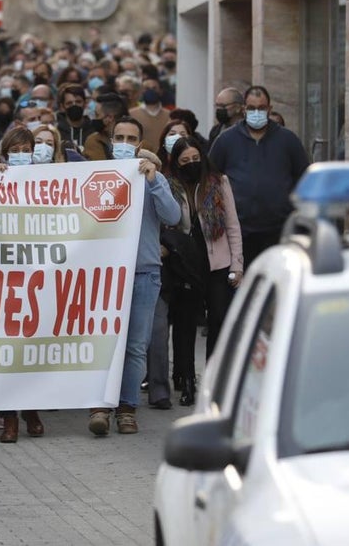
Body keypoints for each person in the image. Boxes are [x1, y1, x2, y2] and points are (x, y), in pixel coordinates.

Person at [88, 117, 181, 436]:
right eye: (119, 137)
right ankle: (100, 405)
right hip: (104, 274)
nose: (124, 142)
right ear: (111, 141)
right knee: (102, 341)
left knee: (136, 345)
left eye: (131, 138)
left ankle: (126, 407)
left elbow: (173, 217)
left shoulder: (151, 177)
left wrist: (155, 181)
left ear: (139, 145)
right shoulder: (94, 175)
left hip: (143, 272)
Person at [0, 127, 46, 443]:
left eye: (27, 147)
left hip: (37, 276)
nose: (21, 153)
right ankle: (10, 418)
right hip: (2, 276)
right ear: (5, 152)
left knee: (32, 345)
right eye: (15, 148)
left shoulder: (49, 180)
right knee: (6, 348)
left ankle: (31, 409)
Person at [208, 86, 309, 269]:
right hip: (240, 232)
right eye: (252, 108)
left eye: (261, 108)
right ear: (244, 109)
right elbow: (210, 178)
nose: (256, 112)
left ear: (269, 109)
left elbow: (304, 177)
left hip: (278, 230)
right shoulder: (226, 140)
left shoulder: (287, 140)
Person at [168, 138, 242, 383]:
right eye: (185, 161)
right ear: (177, 163)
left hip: (217, 263)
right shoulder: (171, 186)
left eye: (195, 159)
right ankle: (186, 378)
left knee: (218, 318)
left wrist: (237, 265)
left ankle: (214, 376)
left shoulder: (218, 183)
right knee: (185, 323)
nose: (191, 164)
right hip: (186, 265)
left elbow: (232, 226)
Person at [129, 77, 171, 154]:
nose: (151, 91)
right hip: (140, 159)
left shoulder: (169, 115)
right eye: (147, 88)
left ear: (160, 91)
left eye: (154, 88)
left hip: (164, 159)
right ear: (141, 91)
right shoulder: (131, 114)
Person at [83, 93, 126, 162]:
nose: (94, 118)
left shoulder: (136, 142)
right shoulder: (93, 141)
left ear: (110, 118)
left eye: (97, 115)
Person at [55, 83, 90, 152]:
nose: (74, 106)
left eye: (78, 102)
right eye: (69, 103)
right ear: (62, 106)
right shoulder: (56, 132)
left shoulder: (93, 130)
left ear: (85, 103)